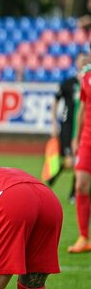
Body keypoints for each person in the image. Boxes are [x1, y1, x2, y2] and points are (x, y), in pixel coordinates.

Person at [48, 53, 87, 199]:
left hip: (83, 127)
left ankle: (73, 193)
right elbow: (55, 101)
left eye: (86, 60)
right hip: (68, 126)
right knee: (70, 161)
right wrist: (53, 123)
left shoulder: (88, 82)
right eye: (81, 60)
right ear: (76, 63)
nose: (84, 63)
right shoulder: (68, 82)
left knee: (79, 161)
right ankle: (55, 175)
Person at [68, 55, 91, 253]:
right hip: (87, 140)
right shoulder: (86, 77)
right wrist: (76, 137)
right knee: (81, 185)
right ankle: (84, 237)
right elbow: (82, 108)